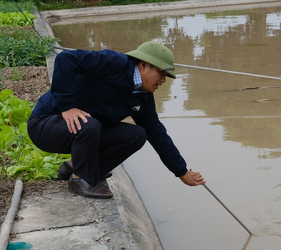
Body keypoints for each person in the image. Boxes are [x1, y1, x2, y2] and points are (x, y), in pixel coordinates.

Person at [27, 41, 206, 198]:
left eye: (166, 76)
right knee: (90, 123)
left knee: (137, 135)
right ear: (144, 65)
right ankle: (80, 179)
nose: (163, 80)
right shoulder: (114, 63)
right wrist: (67, 107)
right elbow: (66, 59)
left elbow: (157, 134)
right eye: (161, 73)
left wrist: (181, 171)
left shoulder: (143, 97)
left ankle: (75, 167)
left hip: (82, 130)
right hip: (46, 124)